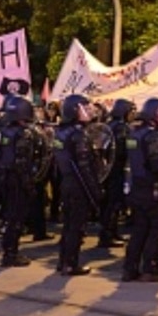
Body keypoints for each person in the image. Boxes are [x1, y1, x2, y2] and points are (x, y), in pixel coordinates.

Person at [122, 98, 158, 283]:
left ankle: (130, 268)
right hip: (151, 186)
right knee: (155, 229)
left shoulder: (134, 134)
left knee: (139, 229)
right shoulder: (152, 137)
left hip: (135, 185)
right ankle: (150, 268)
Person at [53, 94, 104, 277]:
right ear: (75, 110)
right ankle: (70, 264)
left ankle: (63, 260)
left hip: (66, 183)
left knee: (68, 225)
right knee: (76, 226)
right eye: (85, 107)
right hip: (77, 185)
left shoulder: (61, 131)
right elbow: (84, 167)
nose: (90, 110)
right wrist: (95, 191)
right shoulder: (78, 135)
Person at [0, 96, 44, 268]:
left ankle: (8, 250)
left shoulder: (4, 131)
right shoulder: (24, 134)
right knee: (16, 218)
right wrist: (29, 184)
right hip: (17, 180)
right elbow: (22, 162)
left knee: (9, 217)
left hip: (5, 177)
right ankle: (11, 253)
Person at [98, 98, 134, 249]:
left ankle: (112, 232)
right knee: (113, 204)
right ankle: (107, 236)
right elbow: (123, 149)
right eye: (131, 111)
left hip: (108, 170)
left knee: (110, 203)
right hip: (116, 170)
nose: (133, 114)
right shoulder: (121, 128)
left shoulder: (108, 124)